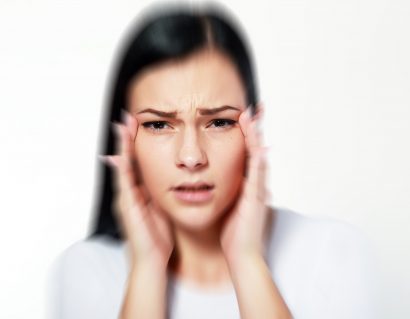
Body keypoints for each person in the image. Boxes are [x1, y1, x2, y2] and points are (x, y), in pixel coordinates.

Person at [47, 2, 379, 319]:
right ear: (125, 139)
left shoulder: (332, 253)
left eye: (219, 122)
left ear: (254, 127)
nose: (191, 157)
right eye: (158, 124)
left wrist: (248, 260)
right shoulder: (84, 271)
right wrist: (147, 269)